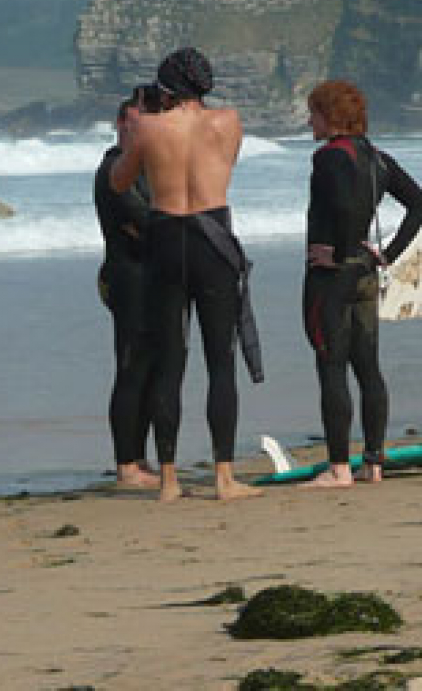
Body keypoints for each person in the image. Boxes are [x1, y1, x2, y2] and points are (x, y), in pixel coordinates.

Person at [110, 47, 263, 502]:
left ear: (166, 87)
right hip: (211, 236)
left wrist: (131, 146)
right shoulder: (229, 121)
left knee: (169, 361)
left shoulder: (148, 126)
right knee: (220, 361)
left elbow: (120, 181)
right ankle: (223, 477)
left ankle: (170, 480)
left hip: (164, 236)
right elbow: (226, 165)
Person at [301, 80, 422, 488]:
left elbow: (339, 205)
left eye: (314, 114)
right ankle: (373, 463)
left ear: (331, 117)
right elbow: (419, 205)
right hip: (365, 273)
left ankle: (339, 468)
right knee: (368, 368)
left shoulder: (328, 158)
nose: (309, 121)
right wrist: (386, 253)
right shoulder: (377, 158)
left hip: (331, 280)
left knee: (331, 367)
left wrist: (335, 253)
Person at [94, 98, 159, 488]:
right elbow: (146, 220)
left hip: (152, 273)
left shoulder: (146, 166)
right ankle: (126, 465)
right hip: (127, 275)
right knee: (132, 367)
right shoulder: (113, 167)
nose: (143, 128)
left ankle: (141, 456)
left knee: (153, 369)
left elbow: (157, 218)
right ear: (120, 122)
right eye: (136, 121)